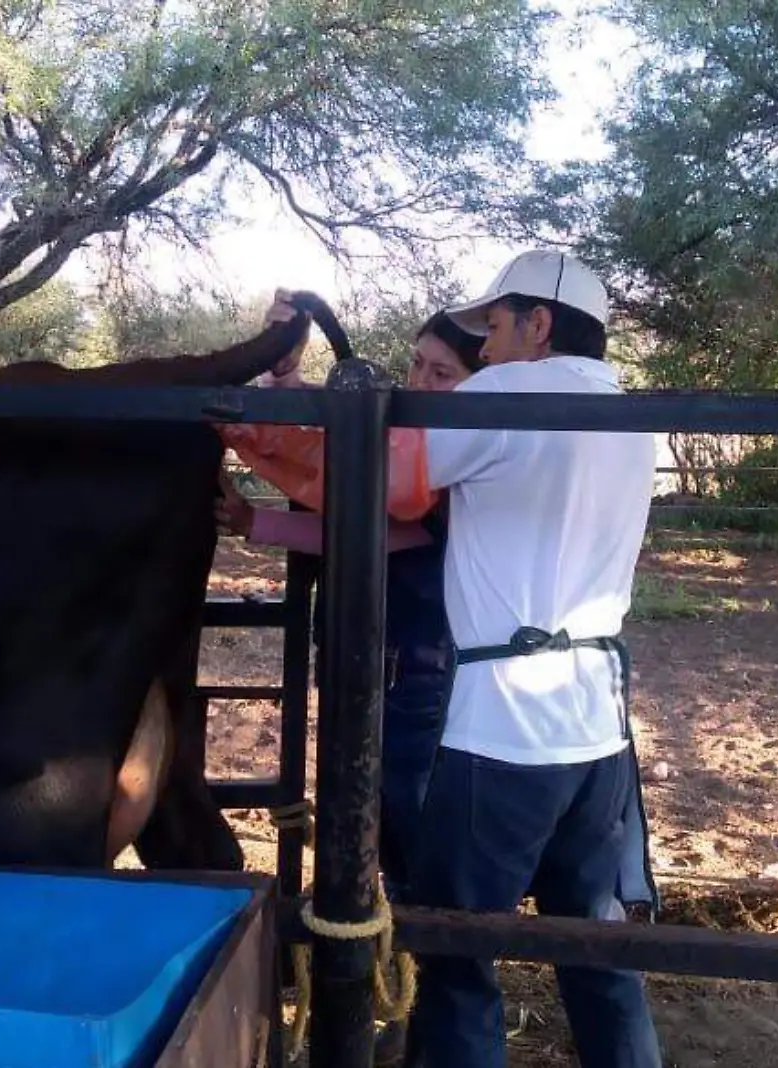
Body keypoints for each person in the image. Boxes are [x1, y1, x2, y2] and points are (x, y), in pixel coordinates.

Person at [223, 249, 663, 1068]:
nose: (486, 351)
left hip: (504, 722)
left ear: (540, 324)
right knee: (599, 954)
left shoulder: (504, 393)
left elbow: (380, 482)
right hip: (598, 723)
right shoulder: (631, 415)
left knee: (455, 955)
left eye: (495, 328)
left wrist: (255, 415)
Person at [217, 309, 484, 905]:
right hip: (369, 649)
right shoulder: (407, 437)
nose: (420, 381)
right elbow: (348, 505)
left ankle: (417, 928)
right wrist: (283, 385)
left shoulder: (452, 456)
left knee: (401, 796)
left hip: (417, 658)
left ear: (477, 384)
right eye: (418, 362)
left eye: (442, 372)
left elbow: (380, 526)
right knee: (370, 792)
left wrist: (259, 519)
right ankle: (396, 920)